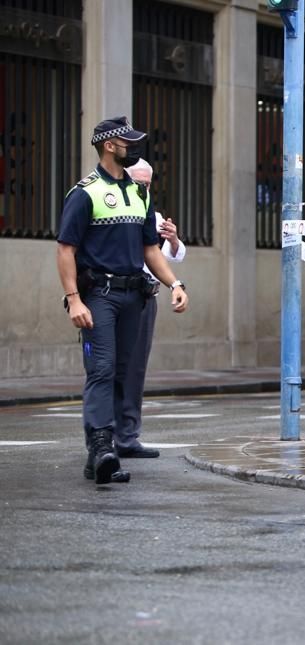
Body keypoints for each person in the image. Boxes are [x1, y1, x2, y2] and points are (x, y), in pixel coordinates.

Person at [56, 117, 189, 485]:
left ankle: (102, 453)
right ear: (110, 145)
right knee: (101, 369)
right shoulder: (85, 193)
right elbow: (66, 250)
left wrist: (174, 283)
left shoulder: (140, 193)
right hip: (99, 295)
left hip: (135, 296)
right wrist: (74, 299)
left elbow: (150, 249)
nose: (135, 147)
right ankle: (101, 447)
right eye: (129, 142)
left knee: (123, 372)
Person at [114, 158, 187, 460]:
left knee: (135, 369)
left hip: (144, 294)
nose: (143, 187)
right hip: (111, 295)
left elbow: (172, 256)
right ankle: (102, 437)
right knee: (107, 367)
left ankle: (128, 436)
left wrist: (171, 239)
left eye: (147, 183)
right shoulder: (111, 205)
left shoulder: (151, 215)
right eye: (138, 182)